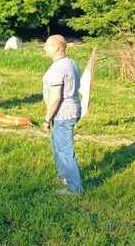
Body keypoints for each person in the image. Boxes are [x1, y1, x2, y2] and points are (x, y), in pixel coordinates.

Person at [42, 34, 83, 194]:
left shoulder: (59, 67)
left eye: (47, 45)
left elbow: (56, 97)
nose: (44, 48)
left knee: (66, 151)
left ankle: (74, 188)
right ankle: (64, 177)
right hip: (70, 110)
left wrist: (46, 119)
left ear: (56, 48)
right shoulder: (70, 62)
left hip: (63, 114)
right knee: (57, 143)